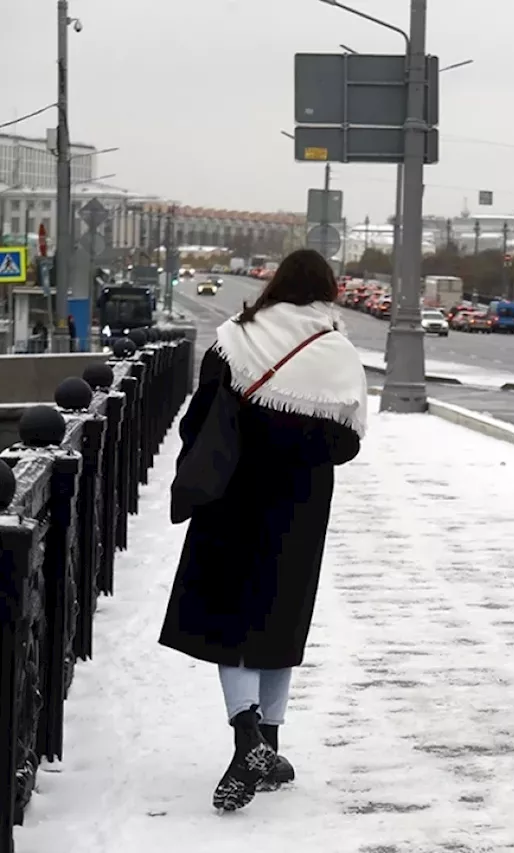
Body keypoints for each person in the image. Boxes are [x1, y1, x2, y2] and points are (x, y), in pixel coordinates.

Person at [159, 248, 367, 812]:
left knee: (231, 614)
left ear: (276, 284)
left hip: (232, 491)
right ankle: (268, 744)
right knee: (280, 616)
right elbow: (346, 444)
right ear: (327, 291)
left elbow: (200, 418)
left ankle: (249, 738)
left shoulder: (235, 338)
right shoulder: (337, 351)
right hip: (299, 501)